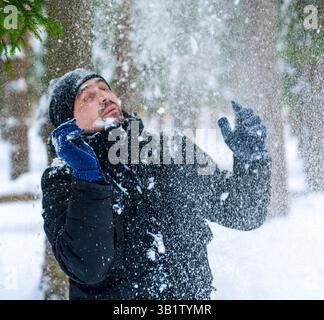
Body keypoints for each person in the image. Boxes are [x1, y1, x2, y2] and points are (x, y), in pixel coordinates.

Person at [41, 68, 271, 300]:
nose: (103, 96)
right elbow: (86, 267)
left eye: (104, 88)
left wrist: (251, 162)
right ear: (68, 123)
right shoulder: (62, 179)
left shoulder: (173, 151)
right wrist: (88, 181)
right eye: (87, 97)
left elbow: (243, 212)